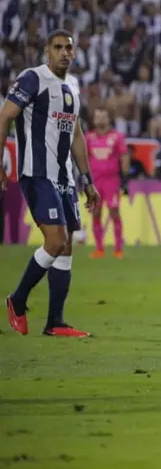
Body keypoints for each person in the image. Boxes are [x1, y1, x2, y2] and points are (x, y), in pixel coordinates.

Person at [1, 30, 98, 338]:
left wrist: (87, 179)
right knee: (54, 242)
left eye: (69, 48)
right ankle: (16, 301)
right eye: (58, 47)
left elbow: (76, 134)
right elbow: (4, 117)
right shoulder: (32, 78)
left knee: (67, 246)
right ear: (47, 51)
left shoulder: (73, 84)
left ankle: (55, 321)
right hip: (37, 172)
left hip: (65, 177)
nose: (64, 53)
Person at [85, 108, 130, 258]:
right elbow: (83, 158)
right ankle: (99, 249)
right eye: (97, 117)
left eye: (103, 116)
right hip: (95, 182)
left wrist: (125, 180)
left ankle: (118, 249)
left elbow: (124, 157)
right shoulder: (88, 137)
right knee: (96, 213)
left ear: (108, 119)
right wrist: (83, 180)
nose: (100, 119)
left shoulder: (117, 137)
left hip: (112, 181)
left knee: (114, 212)